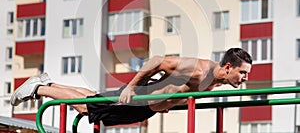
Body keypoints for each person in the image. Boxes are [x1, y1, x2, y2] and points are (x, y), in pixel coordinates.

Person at [10, 48, 252, 126]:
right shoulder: (201, 69)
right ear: (229, 66)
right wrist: (133, 87)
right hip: (140, 97)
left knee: (92, 100)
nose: (244, 79)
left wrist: (168, 103)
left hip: (147, 106)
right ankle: (38, 89)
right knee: (87, 108)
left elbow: (181, 91)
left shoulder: (217, 80)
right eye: (242, 72)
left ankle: (45, 83)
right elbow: (158, 61)